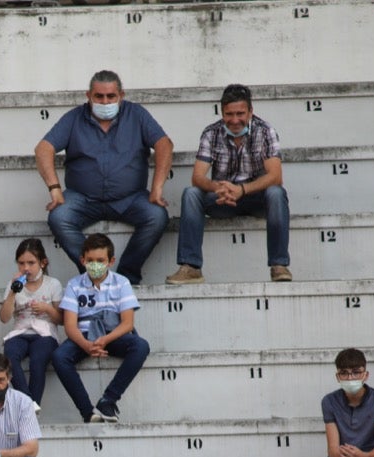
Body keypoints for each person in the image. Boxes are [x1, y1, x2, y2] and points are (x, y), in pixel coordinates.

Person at [36, 69, 173, 285]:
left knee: (157, 216)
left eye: (111, 96)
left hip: (130, 198)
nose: (105, 101)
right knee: (58, 217)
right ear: (88, 95)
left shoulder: (136, 115)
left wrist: (157, 188)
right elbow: (44, 148)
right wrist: (54, 188)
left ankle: (127, 276)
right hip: (82, 198)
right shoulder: (74, 118)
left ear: (122, 95)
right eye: (99, 96)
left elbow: (164, 144)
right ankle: (95, 275)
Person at [168, 84, 291, 284]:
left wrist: (241, 190)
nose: (235, 120)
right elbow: (197, 178)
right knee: (191, 193)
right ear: (222, 112)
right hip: (223, 198)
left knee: (276, 193)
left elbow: (275, 176)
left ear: (251, 111)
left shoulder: (266, 131)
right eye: (229, 114)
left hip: (256, 198)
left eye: (240, 113)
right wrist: (219, 188)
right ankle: (190, 268)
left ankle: (279, 265)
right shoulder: (211, 133)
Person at [50, 233, 151, 424]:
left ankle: (108, 400)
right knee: (59, 356)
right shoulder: (74, 285)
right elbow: (70, 326)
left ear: (111, 261)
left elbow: (128, 323)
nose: (95, 264)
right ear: (82, 260)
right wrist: (86, 345)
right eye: (90, 260)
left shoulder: (121, 283)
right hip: (84, 336)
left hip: (113, 335)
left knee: (141, 346)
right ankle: (88, 412)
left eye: (100, 260)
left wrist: (105, 339)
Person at [0, 238, 64, 405]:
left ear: (42, 263)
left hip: (45, 334)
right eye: (21, 263)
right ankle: (29, 403)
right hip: (20, 332)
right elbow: (4, 318)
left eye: (31, 263)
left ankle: (30, 405)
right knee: (10, 356)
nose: (25, 268)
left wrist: (47, 309)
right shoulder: (13, 284)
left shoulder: (53, 284)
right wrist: (13, 292)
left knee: (38, 360)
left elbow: (61, 319)